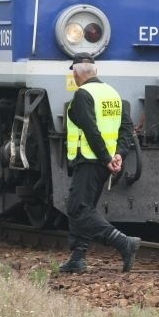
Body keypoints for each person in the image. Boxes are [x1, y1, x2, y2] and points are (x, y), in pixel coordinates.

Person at [60, 53, 140, 273]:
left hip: (89, 159)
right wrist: (119, 155)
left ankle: (124, 242)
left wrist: (106, 159)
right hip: (105, 162)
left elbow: (91, 131)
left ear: (76, 73)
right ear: (95, 72)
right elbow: (127, 130)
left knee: (77, 208)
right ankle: (78, 258)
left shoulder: (82, 95)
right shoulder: (113, 94)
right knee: (86, 208)